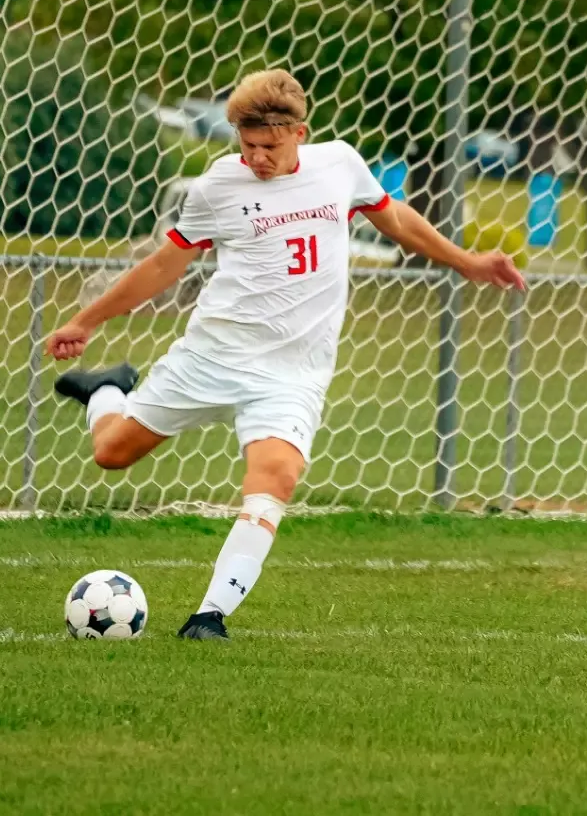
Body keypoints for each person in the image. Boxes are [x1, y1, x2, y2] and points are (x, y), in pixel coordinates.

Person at [46, 69, 526, 640]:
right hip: (213, 354)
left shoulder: (340, 165)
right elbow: (161, 266)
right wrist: (86, 319)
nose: (257, 158)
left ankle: (209, 616)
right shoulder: (218, 187)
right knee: (111, 454)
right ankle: (106, 388)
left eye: (269, 146)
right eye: (246, 146)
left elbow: (393, 218)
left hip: (293, 372)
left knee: (276, 475)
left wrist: (467, 261)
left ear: (301, 131)